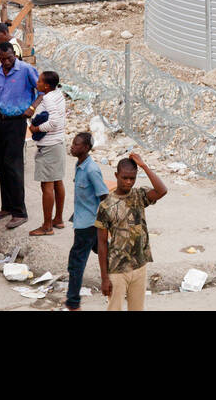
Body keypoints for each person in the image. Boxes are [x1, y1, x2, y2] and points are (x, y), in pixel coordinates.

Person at [95, 152, 167, 311]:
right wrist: (104, 277)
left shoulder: (139, 196)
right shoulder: (106, 205)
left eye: (132, 178)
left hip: (139, 265)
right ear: (116, 175)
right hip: (117, 269)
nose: (128, 182)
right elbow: (101, 243)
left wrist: (144, 166)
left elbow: (162, 190)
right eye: (124, 178)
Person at [0, 41, 39, 228]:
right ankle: (7, 206)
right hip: (1, 119)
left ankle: (19, 211)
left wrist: (32, 107)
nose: (6, 62)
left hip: (17, 121)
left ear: (14, 54)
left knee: (13, 165)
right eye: (2, 59)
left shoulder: (25, 69)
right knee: (1, 164)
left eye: (9, 58)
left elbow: (42, 90)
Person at [65, 131, 108, 311]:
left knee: (76, 263)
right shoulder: (79, 164)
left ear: (86, 148)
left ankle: (73, 302)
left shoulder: (91, 169)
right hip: (82, 220)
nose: (72, 146)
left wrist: (105, 223)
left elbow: (104, 195)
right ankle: (123, 281)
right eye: (73, 143)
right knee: (109, 254)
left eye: (76, 144)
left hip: (88, 225)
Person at [27, 70, 67, 237]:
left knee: (47, 186)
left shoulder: (49, 98)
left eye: (39, 81)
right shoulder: (58, 94)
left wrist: (36, 128)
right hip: (58, 143)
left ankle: (47, 225)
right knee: (58, 181)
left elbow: (54, 122)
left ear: (47, 85)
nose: (37, 83)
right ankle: (58, 219)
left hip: (49, 146)